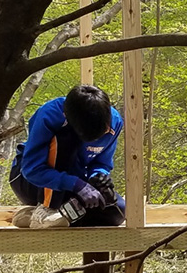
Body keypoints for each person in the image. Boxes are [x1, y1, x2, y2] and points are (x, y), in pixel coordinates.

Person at [10, 84, 125, 230]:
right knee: (64, 139)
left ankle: (38, 215)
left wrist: (98, 176)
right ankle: (46, 209)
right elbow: (32, 170)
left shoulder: (115, 122)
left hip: (71, 181)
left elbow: (102, 163)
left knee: (118, 211)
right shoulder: (50, 115)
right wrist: (77, 185)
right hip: (29, 181)